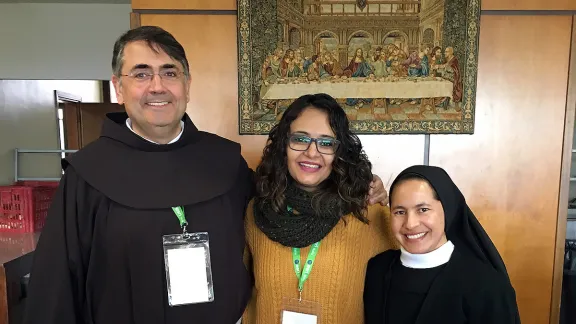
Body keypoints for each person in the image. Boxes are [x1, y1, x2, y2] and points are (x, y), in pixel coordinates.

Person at [23, 26, 388, 324]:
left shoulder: (224, 162)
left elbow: (287, 201)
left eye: (170, 73)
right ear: (119, 88)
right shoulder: (88, 176)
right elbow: (55, 289)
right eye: (141, 74)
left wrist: (359, 189)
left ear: (187, 84)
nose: (157, 87)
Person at [242, 93, 398, 324]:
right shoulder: (257, 212)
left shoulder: (366, 212)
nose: (312, 152)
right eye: (300, 139)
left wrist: (391, 201)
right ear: (283, 144)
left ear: (340, 152)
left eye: (326, 143)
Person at [363, 165, 521, 324]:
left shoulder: (487, 285)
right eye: (400, 212)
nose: (410, 224)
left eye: (423, 209)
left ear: (448, 209)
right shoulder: (377, 270)